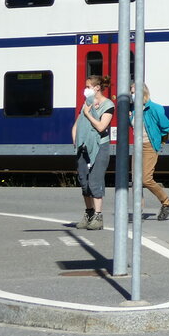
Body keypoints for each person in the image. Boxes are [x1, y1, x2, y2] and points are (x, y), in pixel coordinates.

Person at [70, 74, 114, 231]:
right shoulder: (86, 104)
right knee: (84, 181)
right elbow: (76, 125)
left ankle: (98, 216)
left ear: (96, 88)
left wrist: (89, 114)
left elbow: (102, 127)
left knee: (95, 181)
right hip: (83, 147)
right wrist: (76, 140)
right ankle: (88, 213)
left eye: (88, 87)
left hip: (99, 146)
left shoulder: (108, 105)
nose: (85, 90)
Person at [133, 83, 169, 220]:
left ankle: (166, 201)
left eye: (133, 92)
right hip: (137, 146)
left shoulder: (155, 108)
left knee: (145, 178)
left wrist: (159, 141)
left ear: (142, 93)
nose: (131, 95)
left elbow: (165, 126)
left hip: (149, 146)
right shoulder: (133, 109)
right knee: (136, 180)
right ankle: (138, 211)